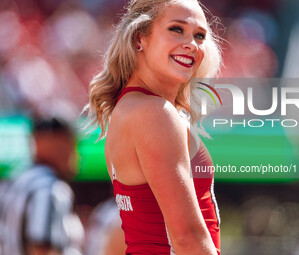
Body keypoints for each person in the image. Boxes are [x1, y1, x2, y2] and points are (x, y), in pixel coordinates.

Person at [85, 0, 222, 254]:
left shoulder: (129, 108)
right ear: (140, 38)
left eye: (200, 35)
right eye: (176, 29)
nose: (192, 44)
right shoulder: (155, 113)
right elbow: (187, 237)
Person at [0, 117, 84, 255]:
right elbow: (42, 249)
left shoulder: (15, 179)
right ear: (56, 142)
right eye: (72, 143)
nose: (74, 153)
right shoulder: (48, 187)